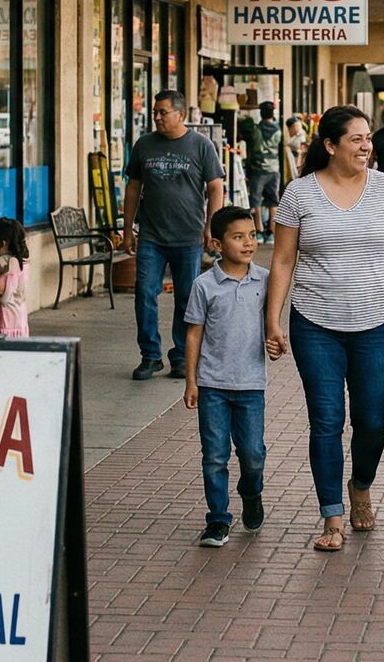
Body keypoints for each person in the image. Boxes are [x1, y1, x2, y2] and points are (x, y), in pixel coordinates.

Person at [264, 106, 384, 552]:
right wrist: (272, 318)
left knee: (371, 421)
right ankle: (332, 515)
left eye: (368, 138)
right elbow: (282, 259)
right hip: (315, 323)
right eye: (356, 139)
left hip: (376, 321)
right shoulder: (298, 195)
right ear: (331, 145)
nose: (366, 146)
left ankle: (361, 486)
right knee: (326, 420)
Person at [183, 206, 270, 547]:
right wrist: (191, 381)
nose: (248, 243)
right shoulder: (205, 285)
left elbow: (272, 323)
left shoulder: (264, 279)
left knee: (253, 453)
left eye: (251, 235)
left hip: (251, 384)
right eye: (238, 237)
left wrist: (276, 340)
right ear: (217, 244)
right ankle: (218, 519)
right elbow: (193, 334)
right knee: (215, 455)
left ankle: (251, 492)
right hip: (212, 385)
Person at [124, 90, 225, 380]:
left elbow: (215, 187)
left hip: (188, 237)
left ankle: (181, 356)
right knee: (144, 293)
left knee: (186, 299)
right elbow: (134, 187)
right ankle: (150, 356)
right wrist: (128, 228)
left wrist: (211, 227)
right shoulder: (144, 145)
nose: (156, 117)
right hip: (151, 237)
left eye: (162, 112)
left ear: (180, 115)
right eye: (155, 112)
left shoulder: (201, 145)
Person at [241, 101, 283, 241]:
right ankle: (271, 233)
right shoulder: (279, 130)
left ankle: (258, 231)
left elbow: (251, 144)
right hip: (274, 168)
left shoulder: (256, 129)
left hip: (258, 168)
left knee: (256, 200)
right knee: (273, 201)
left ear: (261, 113)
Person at [0, 216, 31, 337]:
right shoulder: (22, 261)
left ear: (3, 243)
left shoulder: (6, 263)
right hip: (20, 321)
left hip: (7, 325)